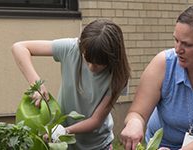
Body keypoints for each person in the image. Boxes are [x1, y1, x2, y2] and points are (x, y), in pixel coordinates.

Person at [120, 4, 193, 150]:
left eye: (187, 44)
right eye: (176, 40)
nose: (178, 49)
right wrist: (134, 123)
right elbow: (137, 113)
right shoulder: (163, 64)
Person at [11, 19, 131, 150]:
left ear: (112, 58)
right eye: (87, 58)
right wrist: (36, 83)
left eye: (98, 63)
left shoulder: (119, 75)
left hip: (98, 144)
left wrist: (64, 132)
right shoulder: (72, 48)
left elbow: (96, 120)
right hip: (64, 144)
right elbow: (19, 47)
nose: (91, 67)